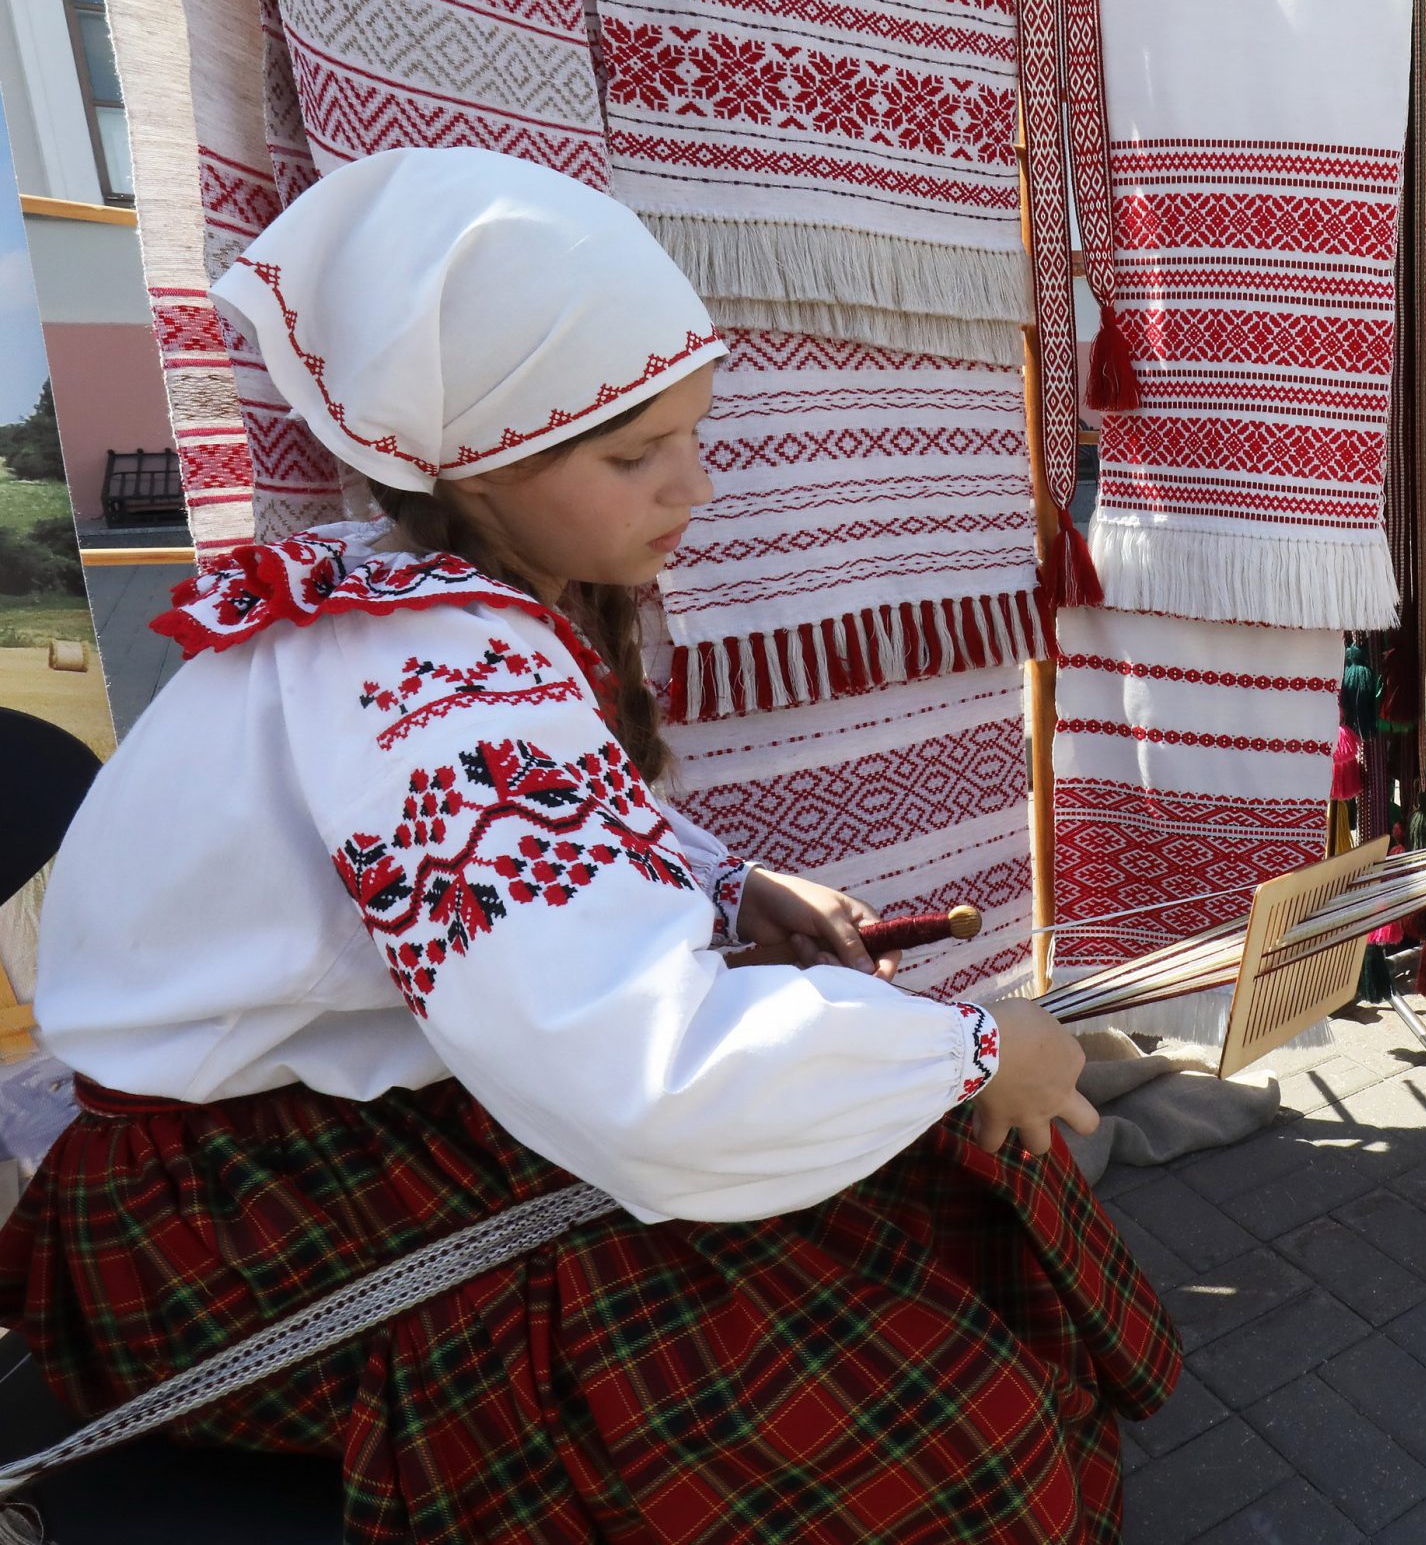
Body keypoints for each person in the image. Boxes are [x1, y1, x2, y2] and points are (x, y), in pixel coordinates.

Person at [0, 148, 1178, 1543]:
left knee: (902, 1207)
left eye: (690, 432)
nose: (691, 487)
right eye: (633, 455)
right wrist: (982, 1049)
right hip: (225, 1226)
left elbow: (560, 843)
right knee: (934, 1424)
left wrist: (734, 884)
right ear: (474, 462)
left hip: (298, 1141)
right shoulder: (428, 678)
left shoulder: (414, 604)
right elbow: (641, 1075)